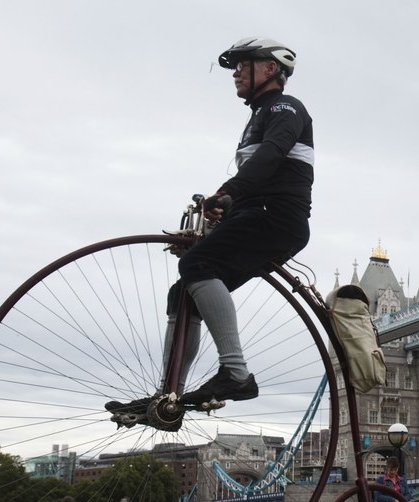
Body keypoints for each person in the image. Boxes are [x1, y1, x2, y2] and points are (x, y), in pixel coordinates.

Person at [105, 36, 313, 420]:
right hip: (257, 214)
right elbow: (261, 174)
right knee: (184, 292)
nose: (236, 72)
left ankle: (235, 373)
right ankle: (168, 397)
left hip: (275, 217)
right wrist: (223, 212)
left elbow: (271, 156)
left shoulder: (285, 107)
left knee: (197, 267)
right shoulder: (257, 116)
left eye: (244, 64)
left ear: (270, 68)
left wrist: (227, 193)